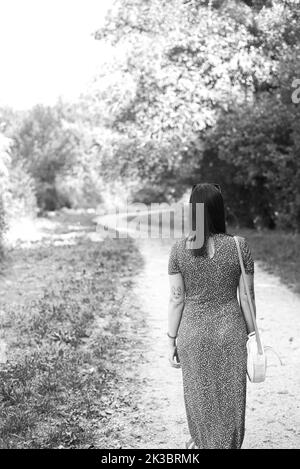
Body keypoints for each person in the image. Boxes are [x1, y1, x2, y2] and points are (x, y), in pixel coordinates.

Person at [167, 183, 256, 449]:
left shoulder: (179, 249)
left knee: (199, 395)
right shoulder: (240, 247)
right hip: (230, 332)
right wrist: (252, 334)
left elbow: (176, 299)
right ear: (220, 210)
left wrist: (170, 339)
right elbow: (247, 298)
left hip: (192, 334)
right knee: (231, 395)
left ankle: (201, 443)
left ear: (193, 211)